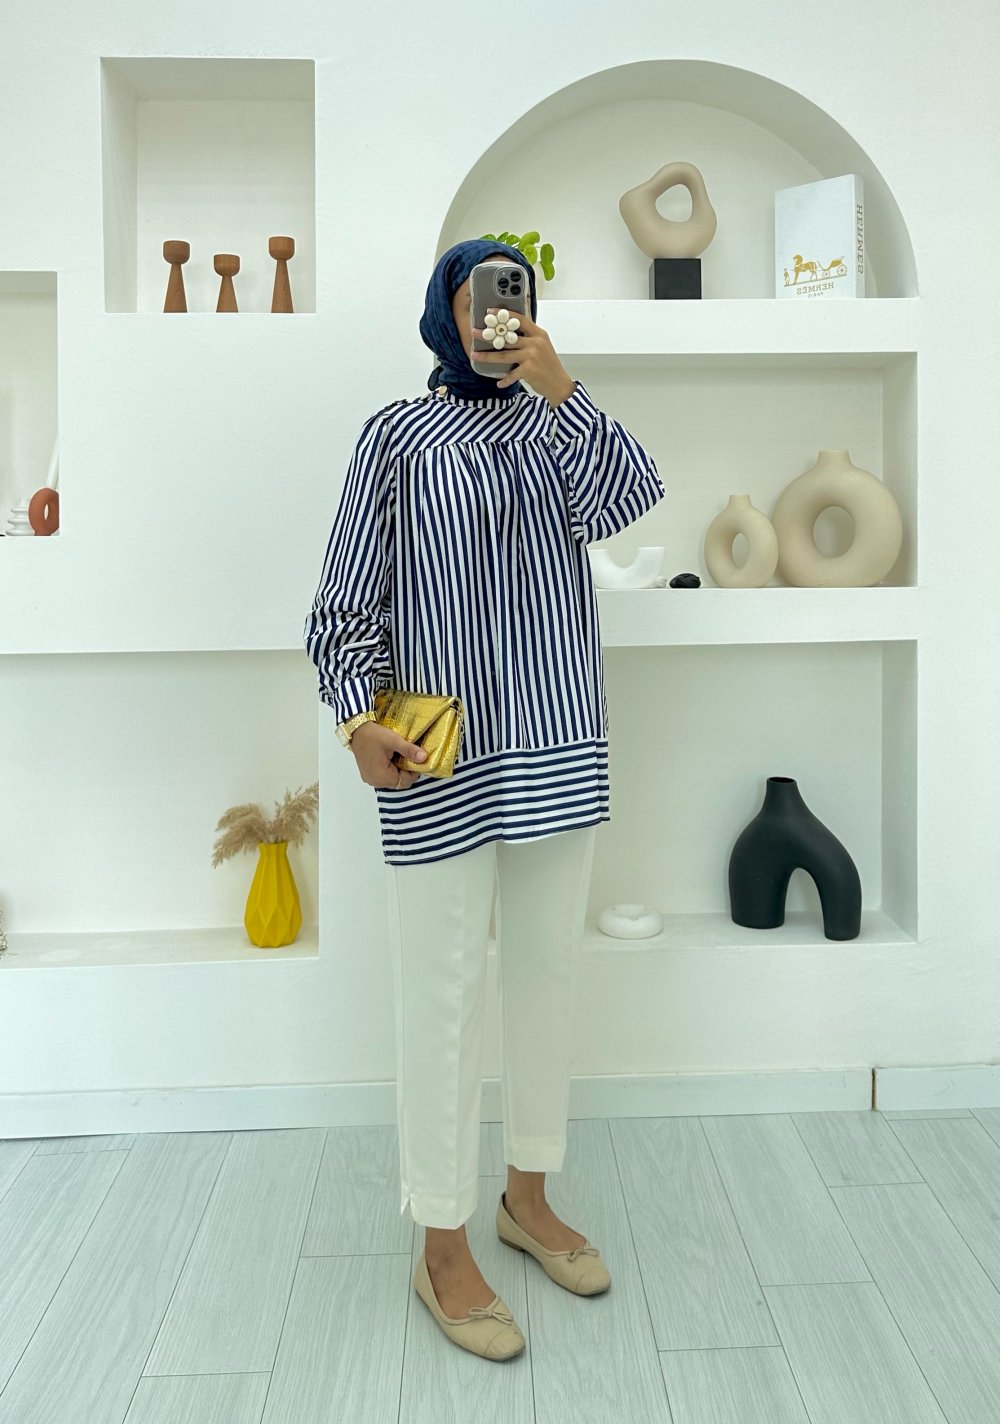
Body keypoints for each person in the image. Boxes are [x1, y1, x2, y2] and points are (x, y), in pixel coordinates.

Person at [303, 238, 666, 1359]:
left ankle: (528, 1196)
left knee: (547, 975)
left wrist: (562, 388)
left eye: (515, 295)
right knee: (444, 994)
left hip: (556, 736)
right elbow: (342, 603)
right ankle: (441, 1240)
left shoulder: (560, 424)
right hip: (437, 747)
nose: (498, 316)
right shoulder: (396, 438)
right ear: (444, 313)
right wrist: (356, 720)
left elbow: (630, 499)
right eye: (479, 298)